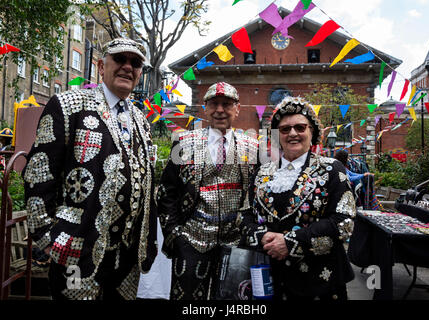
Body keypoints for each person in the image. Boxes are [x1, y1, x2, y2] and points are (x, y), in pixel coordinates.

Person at [23, 38, 158, 300]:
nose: (128, 67)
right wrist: (47, 239)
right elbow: (38, 174)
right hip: (75, 252)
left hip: (125, 259)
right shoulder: (68, 104)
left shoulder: (141, 119)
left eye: (136, 63)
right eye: (120, 59)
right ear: (100, 66)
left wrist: (148, 241)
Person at [237, 95, 356, 300]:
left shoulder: (332, 170)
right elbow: (243, 216)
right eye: (285, 129)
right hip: (271, 281)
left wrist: (291, 242)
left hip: (320, 282)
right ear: (277, 135)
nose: (293, 133)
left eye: (300, 128)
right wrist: (262, 237)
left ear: (312, 132)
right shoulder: (262, 172)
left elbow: (343, 222)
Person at [157, 82, 259, 300]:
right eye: (214, 104)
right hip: (191, 241)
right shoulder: (184, 142)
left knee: (234, 302)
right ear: (205, 108)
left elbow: (257, 195)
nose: (220, 110)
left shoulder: (252, 147)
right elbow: (167, 192)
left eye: (226, 104)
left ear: (237, 109)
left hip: (236, 244)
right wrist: (175, 235)